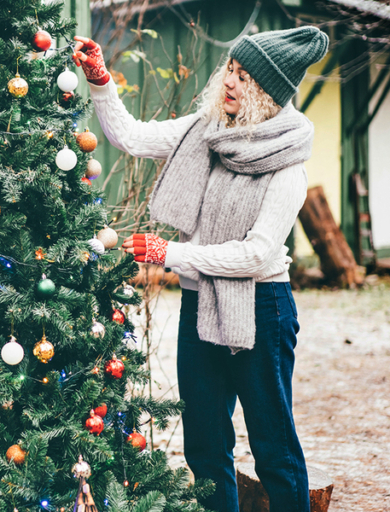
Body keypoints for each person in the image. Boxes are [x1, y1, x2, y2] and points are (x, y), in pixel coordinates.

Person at [72, 27, 328, 512]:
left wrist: (170, 253)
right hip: (199, 305)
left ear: (268, 94)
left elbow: (256, 254)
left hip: (263, 308)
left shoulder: (287, 165)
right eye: (231, 68)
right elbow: (132, 137)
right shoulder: (206, 130)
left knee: (274, 450)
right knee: (206, 449)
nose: (229, 81)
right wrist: (101, 82)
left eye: (245, 77)